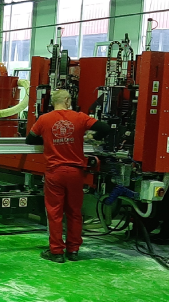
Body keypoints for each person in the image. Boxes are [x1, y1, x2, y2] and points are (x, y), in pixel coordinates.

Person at [25, 89, 111, 263]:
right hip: (75, 172)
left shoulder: (44, 119)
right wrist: (89, 136)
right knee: (74, 212)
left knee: (55, 213)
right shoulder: (80, 117)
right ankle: (73, 250)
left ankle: (56, 252)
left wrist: (48, 139)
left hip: (55, 172)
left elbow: (30, 140)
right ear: (66, 100)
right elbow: (105, 128)